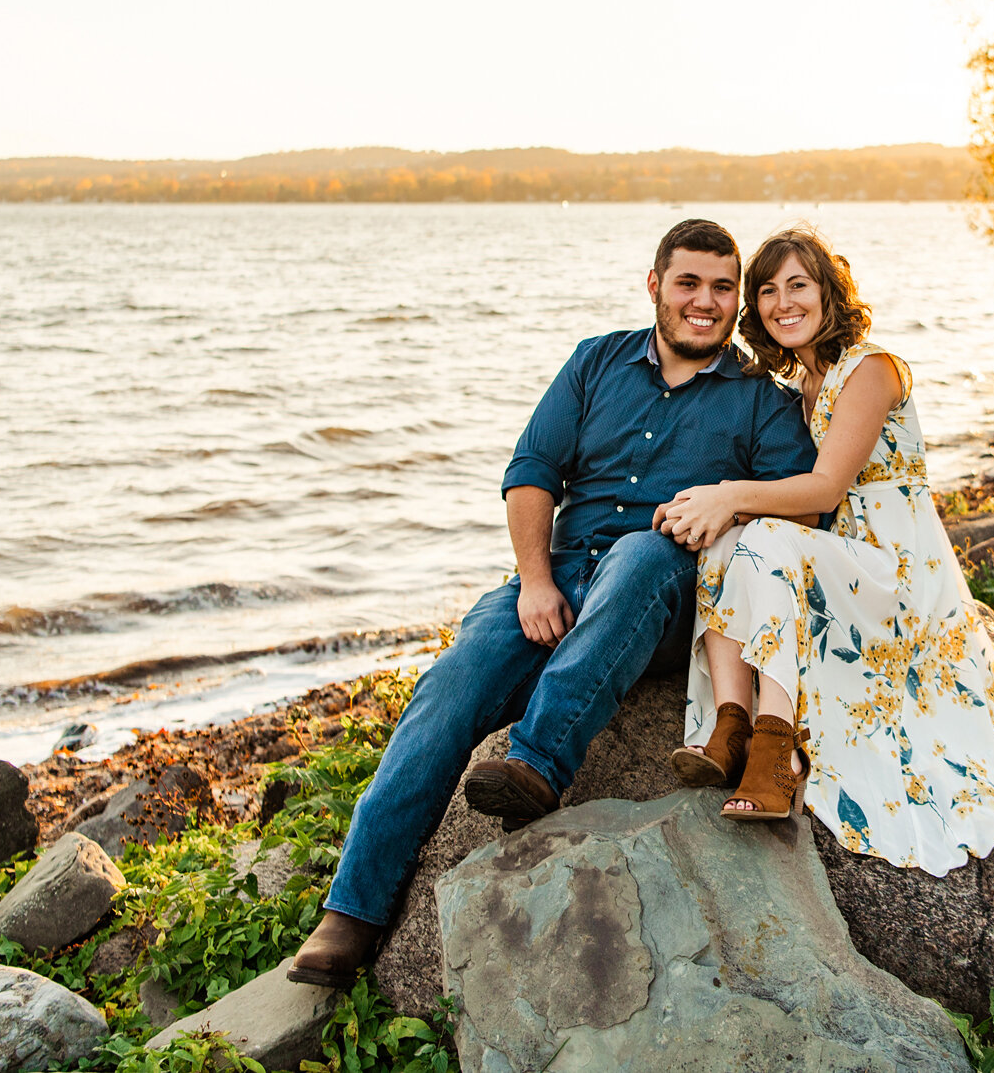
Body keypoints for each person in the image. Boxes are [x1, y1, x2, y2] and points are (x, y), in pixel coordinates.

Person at [289, 218, 820, 987]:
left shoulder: (759, 401)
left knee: (645, 547)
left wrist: (731, 504)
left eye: (722, 286)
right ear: (655, 286)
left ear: (736, 300)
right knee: (456, 679)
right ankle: (352, 913)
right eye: (688, 283)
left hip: (663, 592)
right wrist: (534, 579)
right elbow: (532, 469)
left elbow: (796, 511)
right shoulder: (596, 361)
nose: (705, 301)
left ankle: (536, 763)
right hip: (560, 573)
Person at [656, 227, 994, 876]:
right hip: (848, 556)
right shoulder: (802, 386)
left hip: (895, 566)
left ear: (829, 293)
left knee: (754, 527)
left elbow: (826, 487)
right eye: (766, 290)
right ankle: (730, 727)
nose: (782, 302)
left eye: (798, 285)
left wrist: (728, 493)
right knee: (728, 539)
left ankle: (776, 751)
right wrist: (702, 505)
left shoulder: (871, 369)